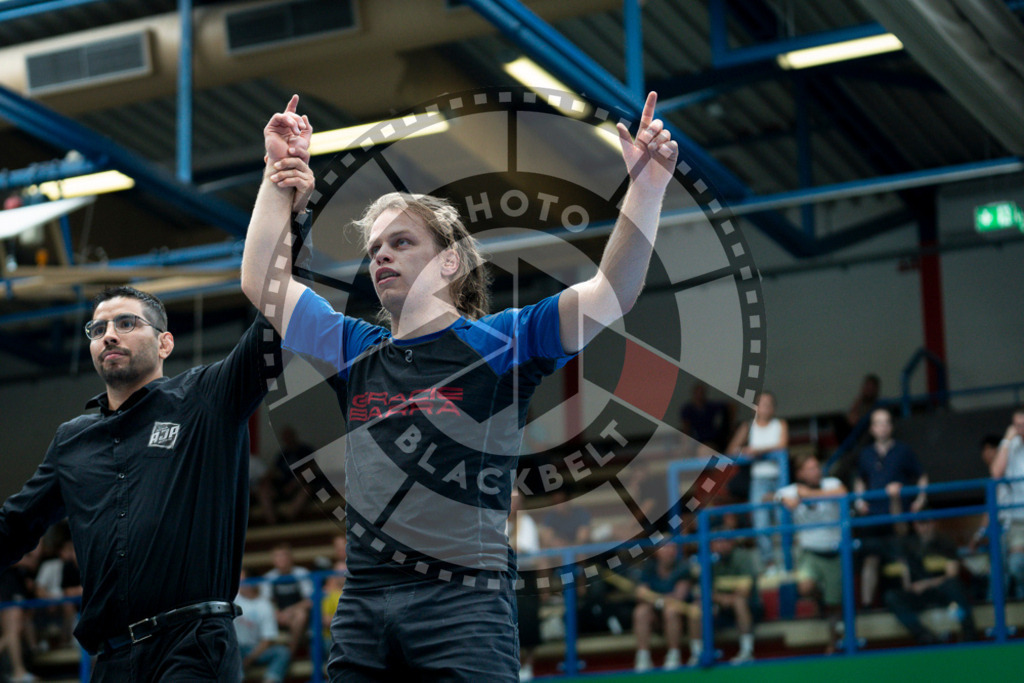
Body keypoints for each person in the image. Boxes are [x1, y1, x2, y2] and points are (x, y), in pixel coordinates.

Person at [241, 91, 679, 681]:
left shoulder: (504, 343)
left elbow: (611, 295)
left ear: (449, 262)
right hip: (366, 601)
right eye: (374, 250)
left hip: (463, 603)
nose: (381, 258)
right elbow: (260, 281)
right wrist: (276, 179)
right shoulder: (355, 350)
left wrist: (646, 191)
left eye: (401, 243)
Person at [0, 284, 282, 681]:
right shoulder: (71, 441)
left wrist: (288, 239)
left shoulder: (204, 399)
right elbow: (12, 527)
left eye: (126, 323)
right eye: (97, 329)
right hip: (110, 660)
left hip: (192, 646)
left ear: (165, 343)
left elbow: (273, 330)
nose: (109, 334)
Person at [853, 408, 928, 608]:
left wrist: (920, 499)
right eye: (878, 423)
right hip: (874, 516)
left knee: (904, 558)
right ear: (872, 428)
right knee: (870, 560)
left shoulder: (903, 450)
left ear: (891, 426)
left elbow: (921, 476)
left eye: (886, 422)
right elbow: (860, 480)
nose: (883, 426)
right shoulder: (866, 454)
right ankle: (867, 607)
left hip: (898, 514)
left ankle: (912, 601)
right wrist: (860, 501)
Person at [776, 452, 847, 653]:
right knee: (805, 587)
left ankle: (833, 644)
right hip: (810, 553)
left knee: (835, 605)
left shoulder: (832, 483)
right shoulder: (792, 489)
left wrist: (805, 494)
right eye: (810, 468)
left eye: (817, 467)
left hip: (835, 552)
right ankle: (821, 599)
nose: (816, 471)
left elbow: (842, 493)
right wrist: (783, 498)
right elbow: (769, 496)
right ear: (800, 473)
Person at [883, 514, 977, 644]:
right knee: (891, 596)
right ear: (915, 525)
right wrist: (912, 587)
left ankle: (969, 633)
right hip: (919, 595)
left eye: (927, 522)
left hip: (943, 592)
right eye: (920, 523)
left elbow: (952, 574)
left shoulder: (945, 543)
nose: (924, 527)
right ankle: (924, 636)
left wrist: (926, 584)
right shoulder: (908, 544)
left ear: (933, 523)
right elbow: (906, 578)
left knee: (954, 586)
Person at [726, 391, 789, 570]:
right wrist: (745, 449)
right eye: (762, 403)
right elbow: (732, 450)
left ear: (774, 408)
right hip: (759, 480)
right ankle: (769, 563)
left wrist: (757, 450)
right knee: (761, 522)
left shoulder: (780, 424)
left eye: (769, 403)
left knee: (782, 519)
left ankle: (786, 561)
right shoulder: (748, 426)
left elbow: (782, 445)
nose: (766, 407)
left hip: (779, 478)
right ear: (755, 408)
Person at [686, 530, 759, 665]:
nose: (721, 545)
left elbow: (745, 591)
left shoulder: (742, 557)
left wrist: (721, 597)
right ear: (711, 545)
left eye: (725, 541)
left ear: (731, 543)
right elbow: (700, 591)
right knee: (696, 607)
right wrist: (720, 598)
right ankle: (696, 654)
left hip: (750, 607)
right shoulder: (706, 560)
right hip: (719, 606)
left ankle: (747, 651)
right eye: (717, 542)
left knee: (739, 602)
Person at [632, 543, 692, 672]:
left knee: (671, 610)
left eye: (672, 547)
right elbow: (641, 595)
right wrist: (648, 596)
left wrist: (656, 599)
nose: (668, 551)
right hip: (654, 616)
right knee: (640, 611)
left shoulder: (683, 567)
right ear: (657, 552)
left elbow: (679, 596)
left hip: (678, 616)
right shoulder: (649, 567)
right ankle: (643, 657)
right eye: (664, 548)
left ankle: (674, 655)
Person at [989, 407, 1024, 598]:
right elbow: (995, 473)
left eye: (1023, 423)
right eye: (1017, 424)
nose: (1020, 428)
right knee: (1016, 565)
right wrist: (1006, 440)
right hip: (1018, 521)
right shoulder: (1010, 445)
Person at [235, 569, 292, 683]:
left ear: (251, 583)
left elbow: (268, 639)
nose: (239, 584)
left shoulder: (264, 605)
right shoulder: (233, 599)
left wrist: (250, 658)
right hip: (235, 648)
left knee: (282, 652)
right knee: (228, 651)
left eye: (242, 581)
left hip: (254, 649)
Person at [261, 544, 313, 660]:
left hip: (298, 615)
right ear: (273, 560)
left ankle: (290, 652)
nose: (281, 559)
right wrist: (277, 613)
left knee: (300, 615)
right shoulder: (269, 577)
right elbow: (265, 602)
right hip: (276, 616)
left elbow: (309, 601)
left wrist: (289, 611)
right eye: (277, 556)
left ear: (290, 558)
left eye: (284, 556)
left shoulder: (301, 573)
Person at [680, 382, 730, 453]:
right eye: (697, 393)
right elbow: (686, 428)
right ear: (694, 394)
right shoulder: (688, 409)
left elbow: (730, 406)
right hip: (697, 440)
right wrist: (685, 445)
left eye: (701, 393)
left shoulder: (710, 406)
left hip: (712, 439)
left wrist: (728, 426)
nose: (699, 395)